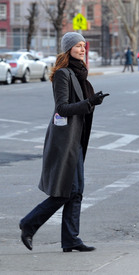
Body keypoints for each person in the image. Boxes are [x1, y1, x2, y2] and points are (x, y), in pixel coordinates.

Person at [19, 32, 109, 253]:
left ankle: (71, 239)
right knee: (65, 192)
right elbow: (62, 108)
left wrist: (90, 101)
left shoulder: (80, 75)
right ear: (68, 49)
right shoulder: (63, 74)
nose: (82, 49)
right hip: (64, 140)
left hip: (75, 139)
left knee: (76, 191)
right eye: (77, 46)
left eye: (83, 46)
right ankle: (29, 223)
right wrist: (89, 102)